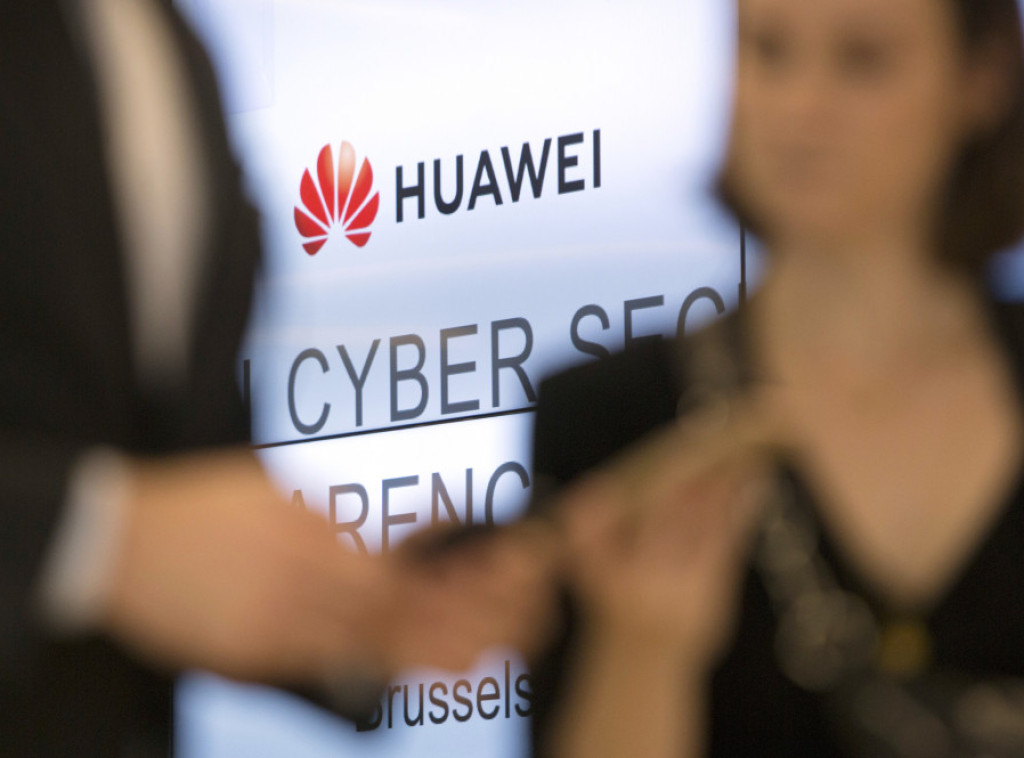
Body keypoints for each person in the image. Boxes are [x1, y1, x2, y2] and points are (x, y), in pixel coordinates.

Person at [0, 1, 548, 756]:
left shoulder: (178, 50)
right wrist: (97, 537)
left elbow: (181, 484)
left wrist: (355, 609)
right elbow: (133, 527)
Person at [526, 0, 1024, 755]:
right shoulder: (616, 418)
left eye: (863, 60)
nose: (801, 105)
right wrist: (644, 649)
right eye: (767, 50)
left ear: (980, 79)